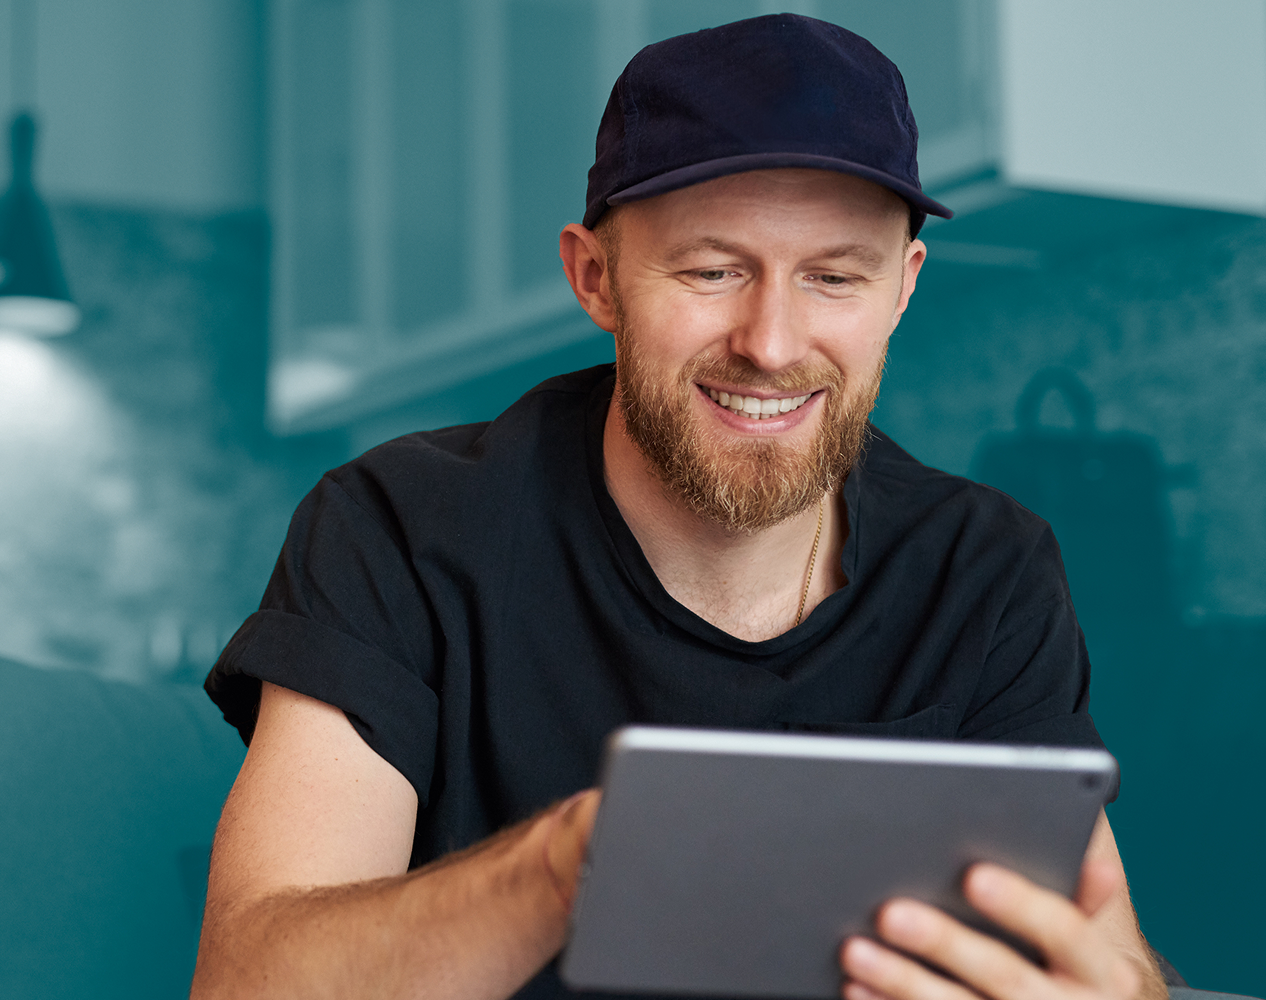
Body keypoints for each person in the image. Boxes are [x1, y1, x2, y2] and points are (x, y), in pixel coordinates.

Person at [194, 14, 1169, 1000]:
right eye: (713, 270)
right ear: (596, 277)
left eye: (834, 276)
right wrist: (566, 864)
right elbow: (248, 984)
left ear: (902, 288)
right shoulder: (398, 526)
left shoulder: (985, 568)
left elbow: (1107, 953)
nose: (774, 343)